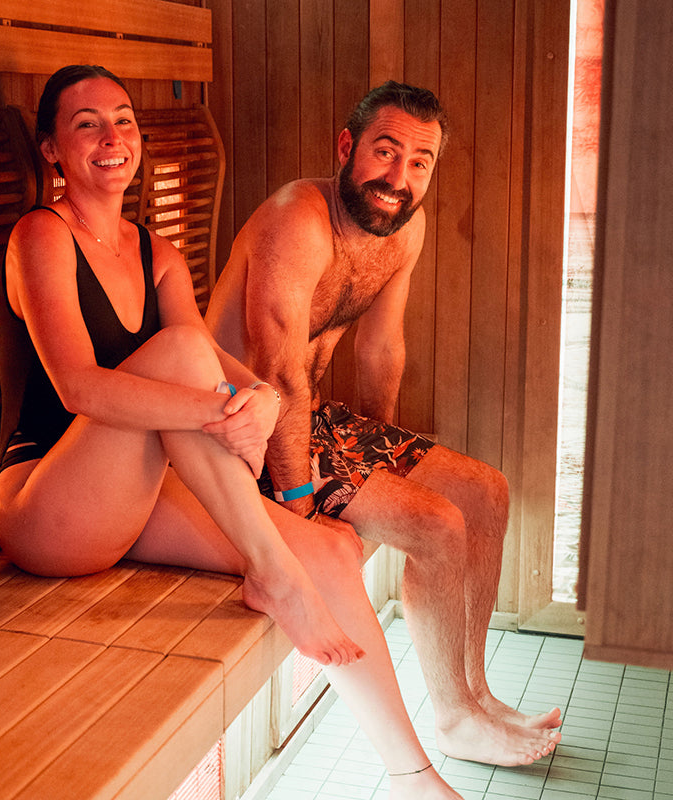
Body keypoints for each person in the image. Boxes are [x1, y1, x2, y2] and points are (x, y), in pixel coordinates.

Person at [0, 64, 471, 798]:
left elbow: (211, 366)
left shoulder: (158, 255)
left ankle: (415, 777)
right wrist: (222, 409)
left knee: (335, 548)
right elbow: (78, 386)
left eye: (123, 119)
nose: (111, 137)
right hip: (45, 506)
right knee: (191, 365)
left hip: (133, 498)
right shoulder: (40, 236)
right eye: (86, 123)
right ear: (53, 149)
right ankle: (273, 576)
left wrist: (256, 400)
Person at [206, 80, 563, 768]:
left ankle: (475, 693)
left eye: (419, 162)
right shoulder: (295, 223)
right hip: (240, 434)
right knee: (437, 525)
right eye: (385, 152)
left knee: (485, 492)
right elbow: (276, 374)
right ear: (348, 147)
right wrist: (300, 506)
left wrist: (387, 458)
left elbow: (381, 346)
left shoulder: (404, 225)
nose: (399, 179)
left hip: (312, 419)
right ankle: (454, 719)